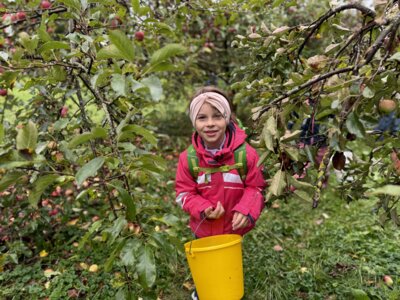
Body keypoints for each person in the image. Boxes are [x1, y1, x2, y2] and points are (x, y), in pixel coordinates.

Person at [175, 86, 266, 239]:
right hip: (203, 230)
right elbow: (184, 193)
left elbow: (257, 187)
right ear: (193, 121)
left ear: (227, 118)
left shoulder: (247, 155)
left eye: (217, 116)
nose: (210, 123)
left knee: (231, 262)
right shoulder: (188, 159)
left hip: (234, 231)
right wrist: (203, 209)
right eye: (202, 117)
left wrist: (246, 209)